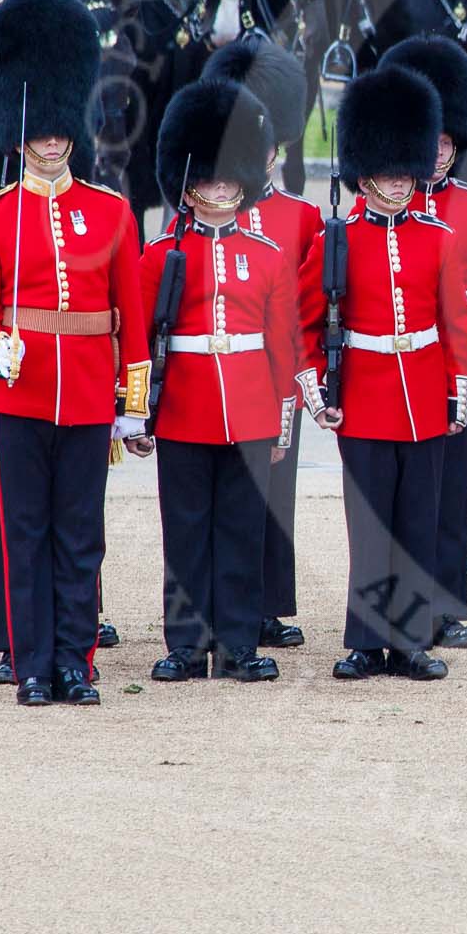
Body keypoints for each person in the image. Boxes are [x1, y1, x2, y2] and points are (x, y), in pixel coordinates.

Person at [0, 0, 150, 706]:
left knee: (80, 537)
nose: (52, 141)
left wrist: (132, 407)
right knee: (24, 534)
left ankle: (76, 659)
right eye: (40, 131)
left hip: (92, 397)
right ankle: (32, 661)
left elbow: (131, 321)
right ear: (20, 132)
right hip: (20, 396)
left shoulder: (112, 214)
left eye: (60, 129)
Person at [131, 78, 315, 684]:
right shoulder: (160, 255)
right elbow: (139, 339)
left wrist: (284, 420)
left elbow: (283, 345)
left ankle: (238, 644)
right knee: (185, 533)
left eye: (228, 179)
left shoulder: (265, 254)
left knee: (240, 533)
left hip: (250, 411)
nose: (218, 190)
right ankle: (186, 644)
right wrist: (136, 410)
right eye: (208, 180)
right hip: (184, 405)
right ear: (188, 184)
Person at [322, 66, 467, 682]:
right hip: (362, 396)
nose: (400, 182)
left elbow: (455, 325)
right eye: (388, 172)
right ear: (365, 175)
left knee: (416, 523)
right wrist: (318, 389)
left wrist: (458, 390)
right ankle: (365, 639)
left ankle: (410, 640)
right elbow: (312, 322)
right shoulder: (339, 239)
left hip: (424, 395)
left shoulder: (438, 238)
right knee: (370, 525)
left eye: (405, 171)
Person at [381, 35, 467, 651]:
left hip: (458, 374)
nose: (437, 155)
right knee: (403, 499)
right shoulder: (379, 207)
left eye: (448, 144)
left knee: (453, 495)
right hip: (401, 374)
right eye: (428, 143)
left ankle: (448, 606)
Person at [201, 39, 319, 649]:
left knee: (277, 492)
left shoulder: (299, 216)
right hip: (224, 369)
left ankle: (271, 603)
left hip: (282, 374)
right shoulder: (206, 211)